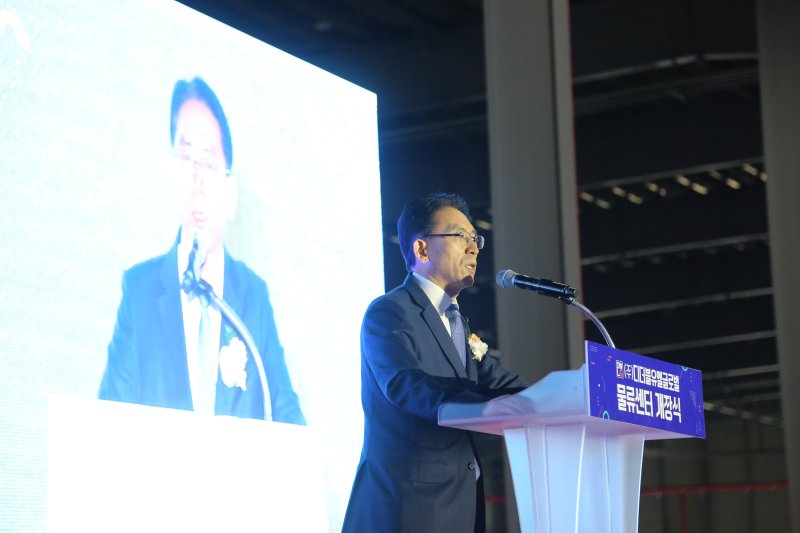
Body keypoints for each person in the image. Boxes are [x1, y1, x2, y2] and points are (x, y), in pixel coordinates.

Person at [98, 76, 304, 425]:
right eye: (186, 157)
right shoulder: (140, 291)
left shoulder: (252, 298)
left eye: (208, 162)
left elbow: (288, 421)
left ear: (230, 191)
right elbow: (107, 422)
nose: (197, 180)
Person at [342, 193, 529, 533]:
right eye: (461, 236)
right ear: (422, 249)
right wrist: (488, 407)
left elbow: (494, 379)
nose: (474, 248)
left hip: (458, 506)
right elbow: (405, 384)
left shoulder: (458, 323)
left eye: (476, 239)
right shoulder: (389, 312)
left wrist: (565, 396)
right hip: (407, 508)